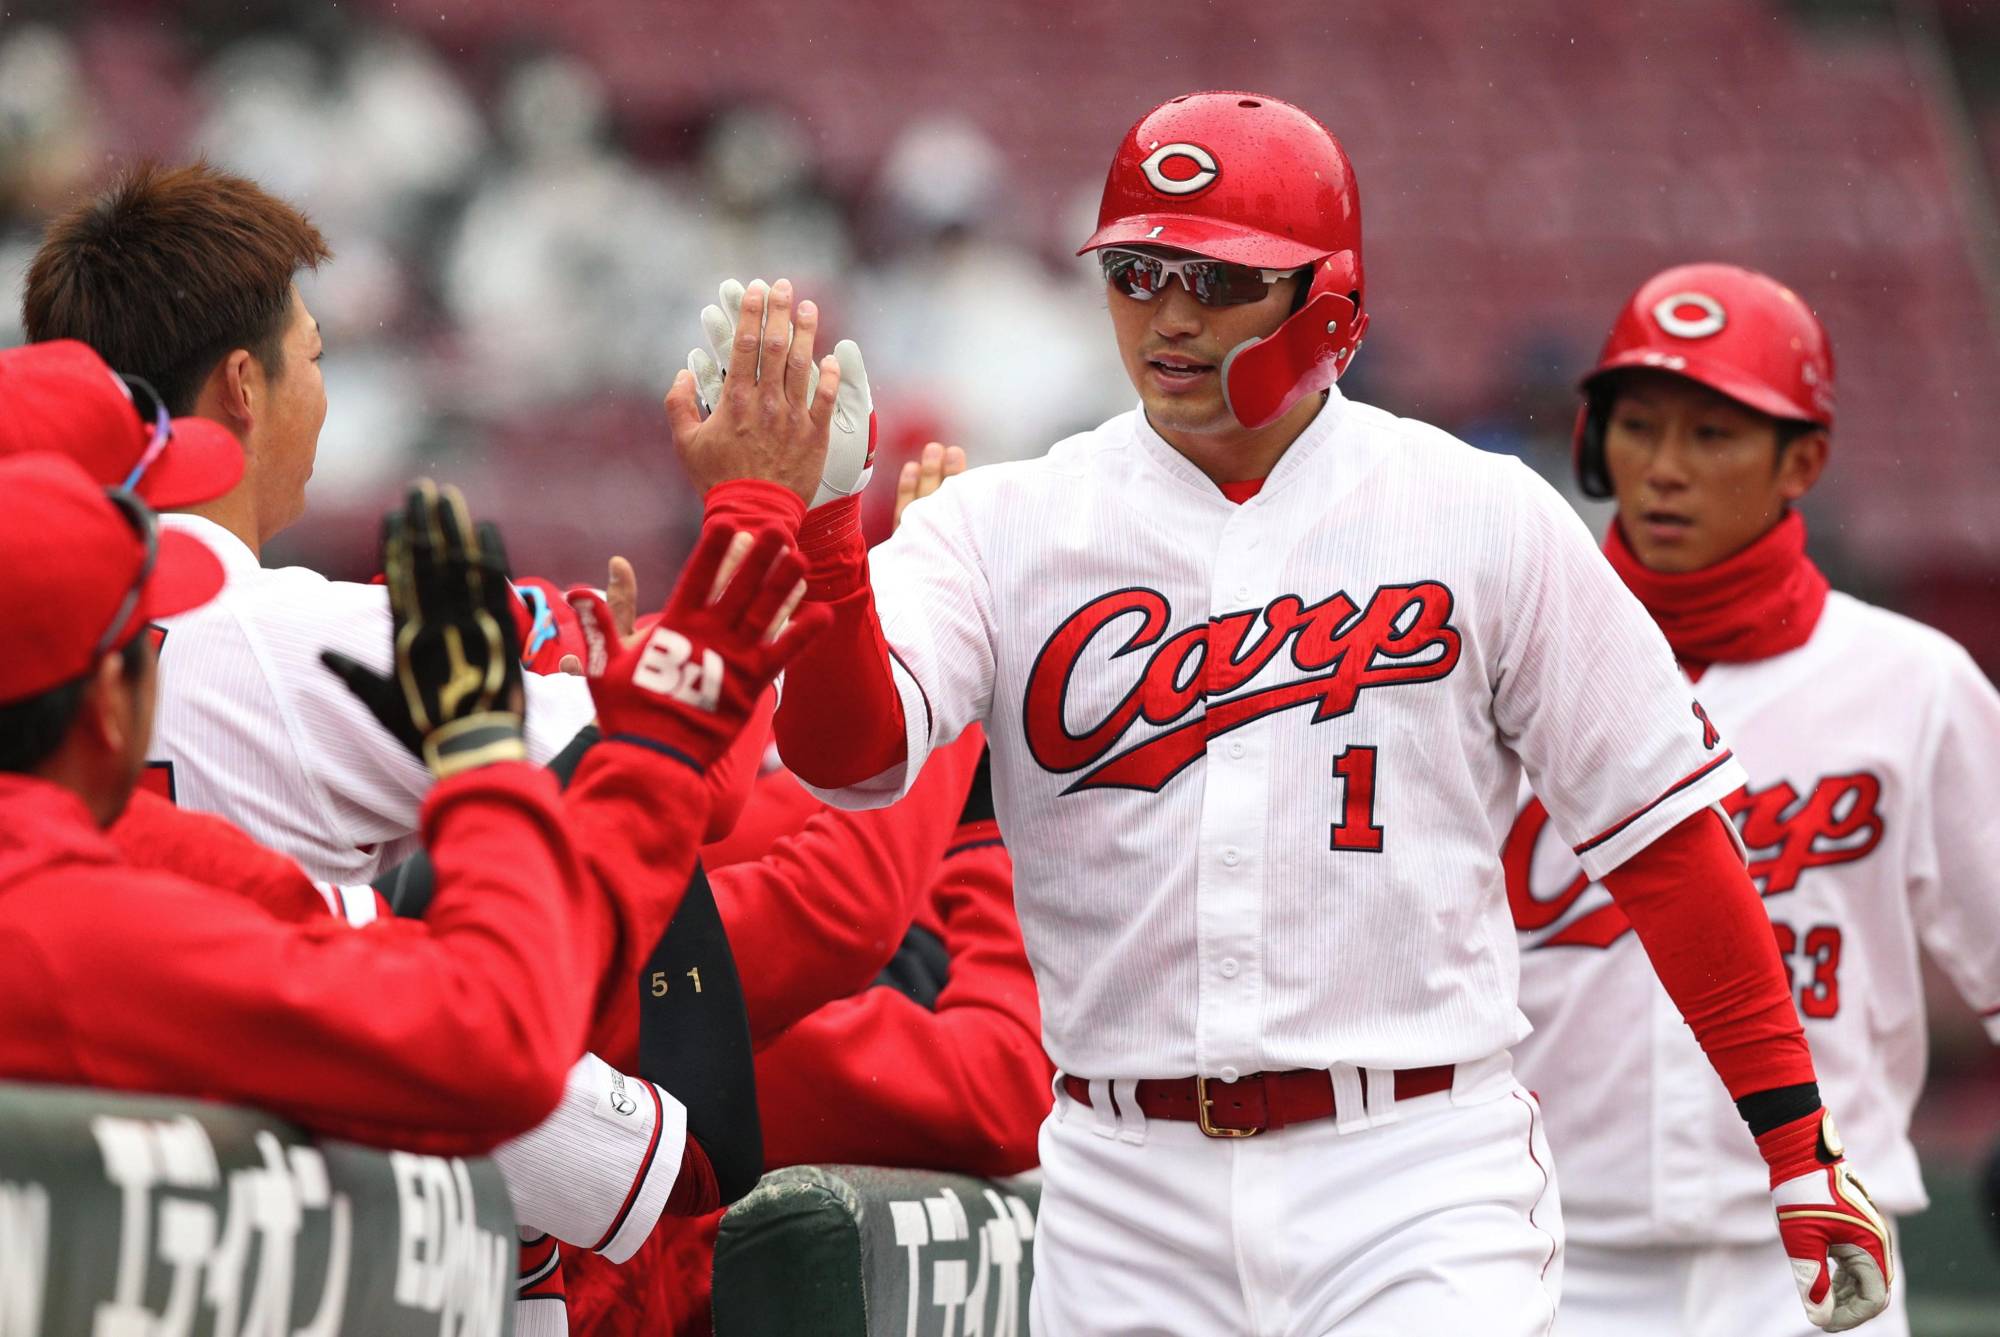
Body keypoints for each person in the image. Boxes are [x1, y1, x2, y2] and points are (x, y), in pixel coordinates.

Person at [670, 92, 1895, 1333]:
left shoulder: (1476, 511)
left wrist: (1793, 1139)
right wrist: (827, 539)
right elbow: (850, 758)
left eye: (1217, 278)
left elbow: (1662, 841)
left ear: (1331, 302)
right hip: (1122, 1174)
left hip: (1412, 1164)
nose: (1169, 314)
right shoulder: (1008, 521)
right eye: (1138, 271)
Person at [0, 454, 802, 1155]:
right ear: (109, 702)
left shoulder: (130, 867)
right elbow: (497, 1036)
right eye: (148, 638)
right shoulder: (89, 922)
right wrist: (489, 753)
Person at [1505, 262, 2000, 1336]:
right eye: (1639, 427)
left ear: (1802, 460)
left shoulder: (1911, 683)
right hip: (1538, 1256)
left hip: (1821, 1258)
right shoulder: (1506, 673)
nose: (1664, 468)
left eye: (1713, 434)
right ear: (1596, 442)